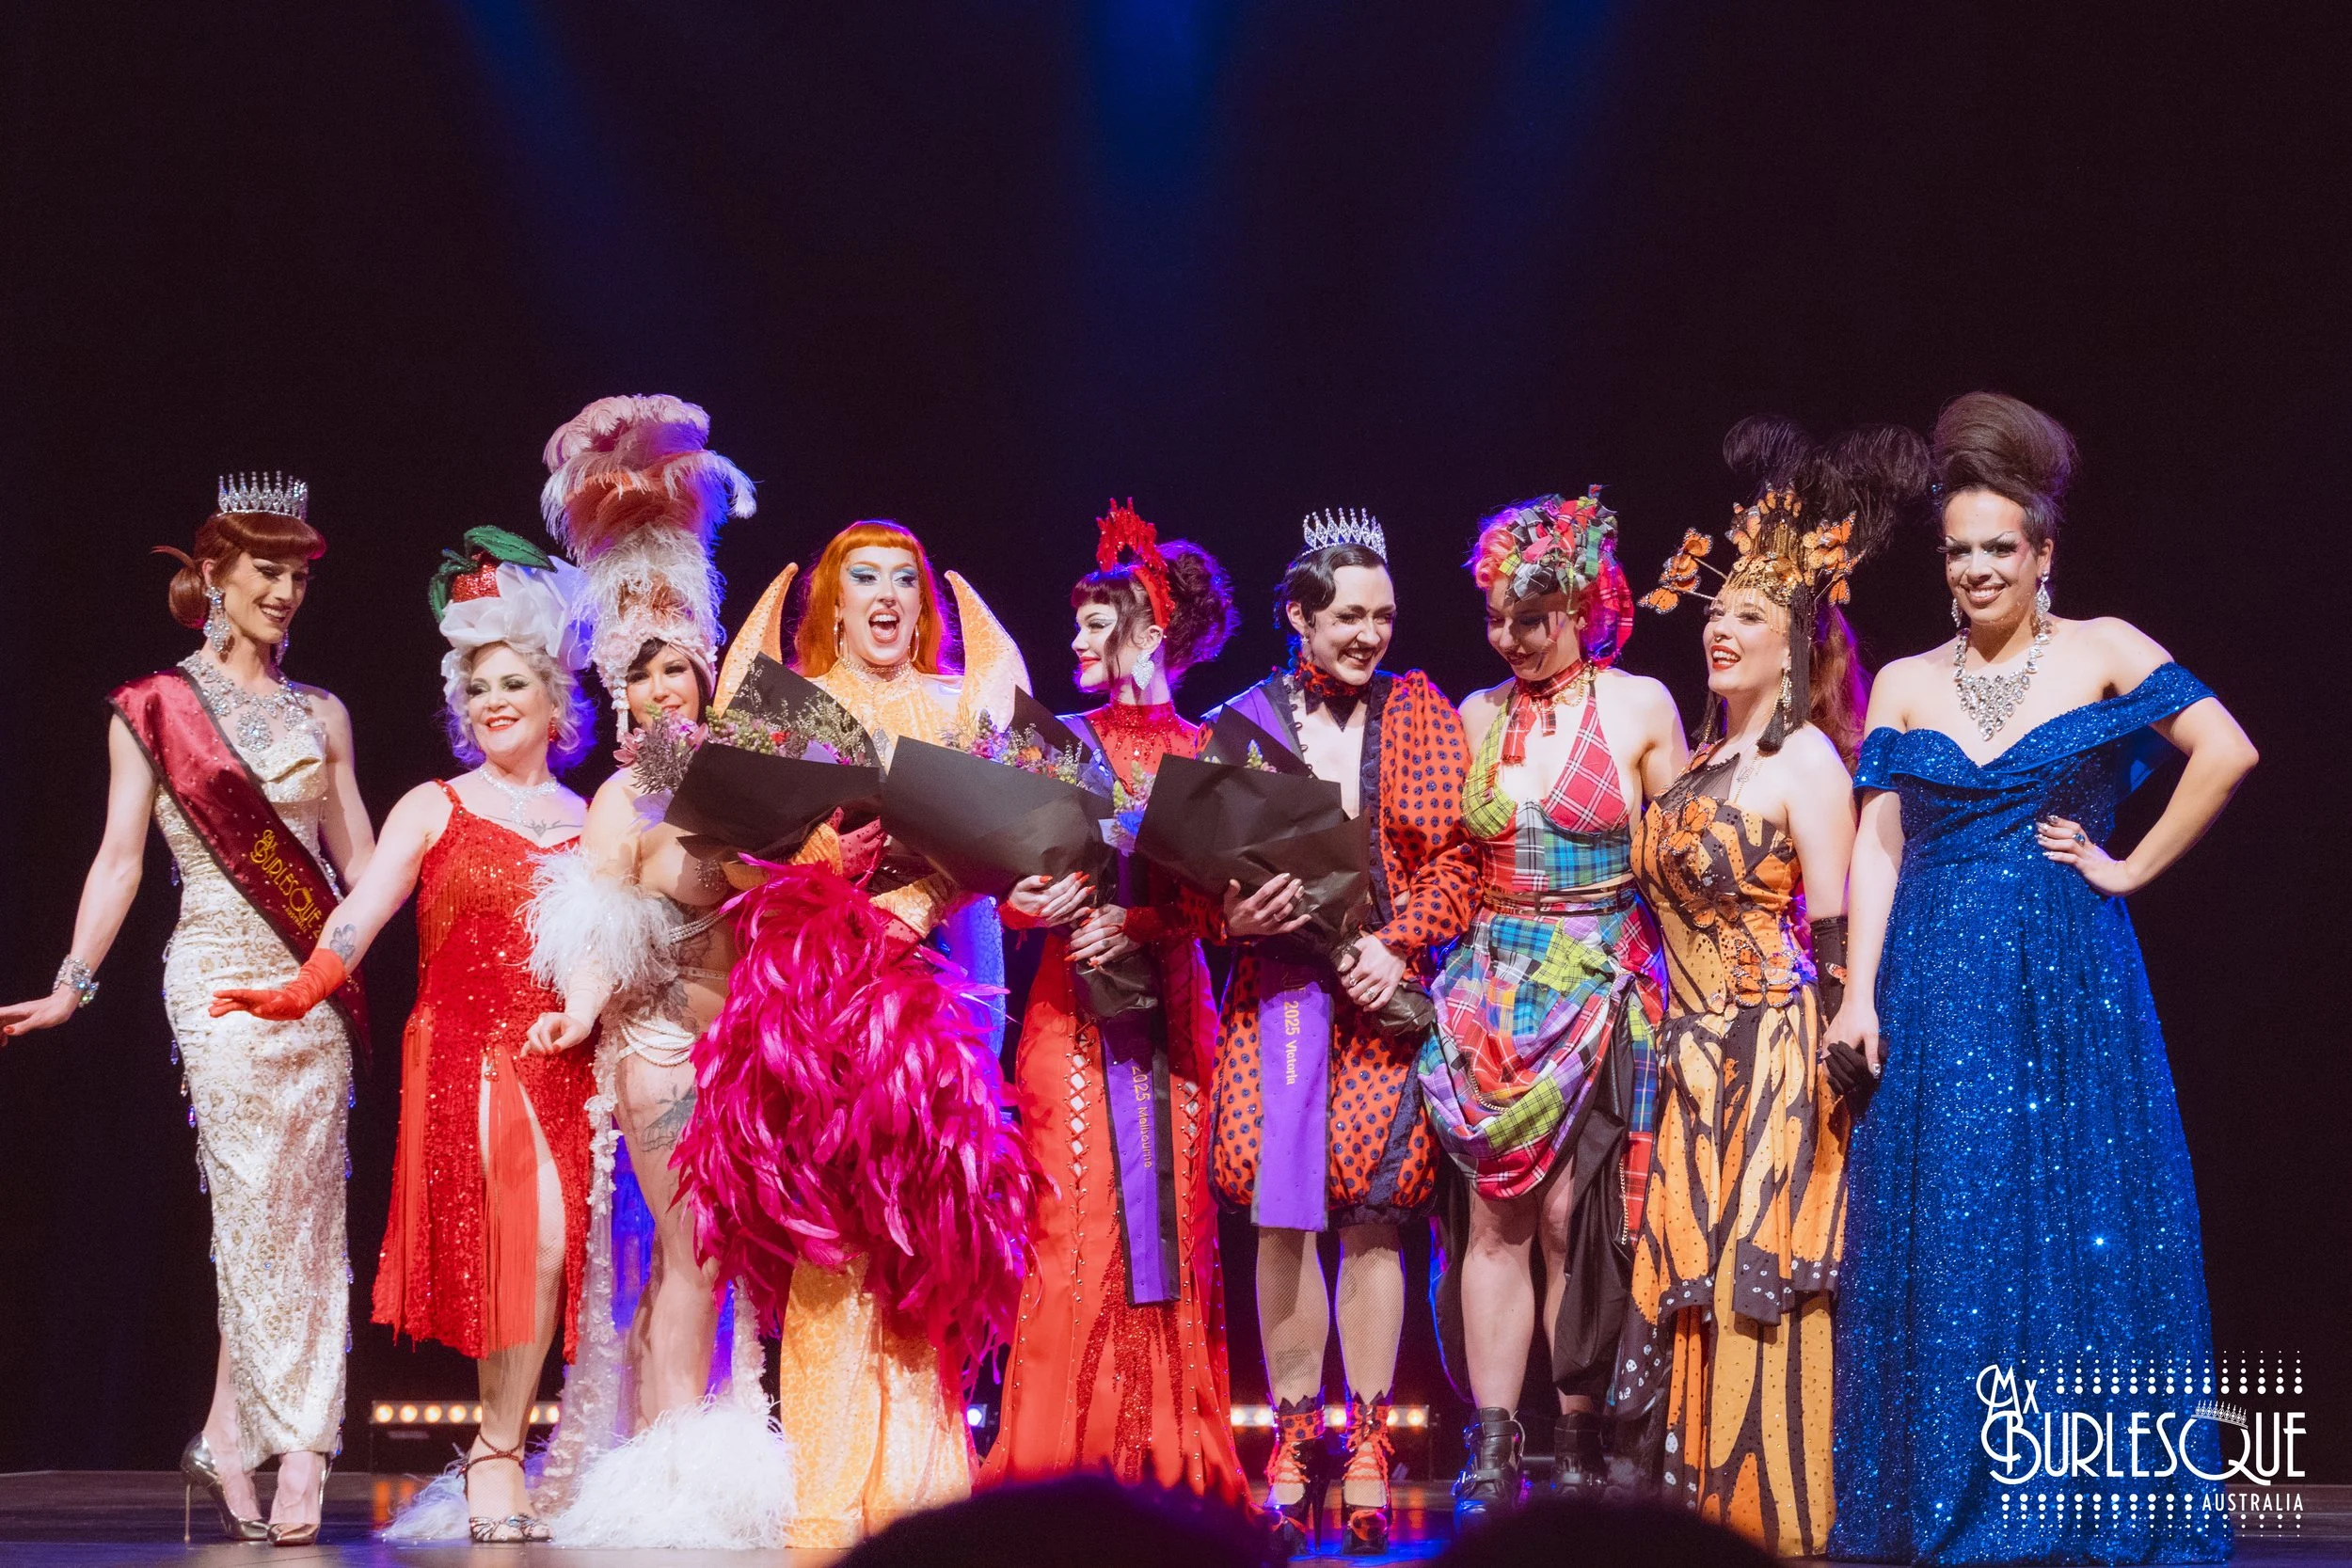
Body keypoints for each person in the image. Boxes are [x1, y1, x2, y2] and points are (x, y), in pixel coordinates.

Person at [1825, 392, 2255, 1563]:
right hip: (1936, 978)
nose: (1973, 568)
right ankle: (1953, 1496)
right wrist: (1859, 991)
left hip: (2068, 981)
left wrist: (2127, 868)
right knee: (1954, 1241)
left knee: (2076, 1223)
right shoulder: (1908, 680)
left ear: (2042, 552)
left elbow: (2226, 750)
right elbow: (1877, 842)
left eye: (1997, 548)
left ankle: (2074, 1500)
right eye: (1958, 549)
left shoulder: (2107, 647)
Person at [0, 476, 369, 1544]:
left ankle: (224, 1431)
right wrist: (74, 981)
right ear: (212, 575)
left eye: (299, 576)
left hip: (312, 976)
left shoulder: (323, 712)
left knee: (302, 1214)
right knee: (254, 1201)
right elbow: (120, 857)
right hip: (212, 971)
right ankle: (305, 1447)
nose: (287, 593)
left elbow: (360, 860)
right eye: (267, 572)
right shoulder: (152, 707)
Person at [214, 533, 600, 1544]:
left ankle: (506, 1443)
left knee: (560, 1254)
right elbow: (362, 910)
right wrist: (304, 986)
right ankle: (498, 1453)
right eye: (477, 690)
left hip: (567, 1051)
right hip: (470, 1049)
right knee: (528, 1240)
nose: (491, 702)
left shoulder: (588, 817)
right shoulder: (436, 804)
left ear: (556, 698)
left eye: (512, 683)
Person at [673, 521, 1040, 1548]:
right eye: (864, 578)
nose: (886, 596)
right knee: (827, 1246)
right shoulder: (790, 708)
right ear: (830, 600)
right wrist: (817, 862)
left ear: (925, 606)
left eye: (905, 582)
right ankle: (829, 1503)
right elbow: (733, 857)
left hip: (928, 1004)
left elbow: (1000, 832)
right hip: (808, 1012)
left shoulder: (946, 705)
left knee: (922, 1236)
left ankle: (920, 1501)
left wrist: (918, 896)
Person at [1612, 419, 1917, 1555]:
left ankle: (1774, 1519)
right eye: (1715, 613)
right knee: (1688, 1279)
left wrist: (1851, 1014)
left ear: (1797, 643)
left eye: (1748, 616)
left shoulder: (1806, 761)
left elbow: (1836, 920)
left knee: (1756, 1282)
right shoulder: (1696, 763)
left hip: (1774, 1054)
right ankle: (1692, 1517)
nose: (1720, 631)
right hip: (1686, 1053)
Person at [514, 395, 790, 1545]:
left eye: (684, 668)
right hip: (665, 1050)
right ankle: (674, 1471)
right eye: (648, 675)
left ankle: (719, 1444)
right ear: (622, 689)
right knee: (689, 1251)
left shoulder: (747, 772)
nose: (668, 687)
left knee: (734, 1258)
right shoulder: (625, 797)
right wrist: (578, 1014)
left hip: (747, 1047)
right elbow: (595, 927)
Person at [1206, 510, 1475, 1556]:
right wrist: (1227, 916)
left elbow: (1457, 858)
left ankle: (1366, 1442)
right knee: (1282, 1218)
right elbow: (1195, 864)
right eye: (1349, 616)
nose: (1369, 634)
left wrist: (1401, 944)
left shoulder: (1421, 712)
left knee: (1373, 1216)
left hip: (1378, 1001)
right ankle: (1290, 1440)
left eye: (1384, 616)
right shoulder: (1237, 721)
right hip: (1276, 995)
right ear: (1298, 616)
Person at [1418, 489, 1679, 1528]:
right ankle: (1492, 1435)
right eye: (1495, 615)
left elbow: (1679, 854)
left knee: (1575, 1213)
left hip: (1596, 967)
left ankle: (1577, 1426)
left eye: (1530, 614)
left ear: (1580, 601)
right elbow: (1442, 855)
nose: (1510, 635)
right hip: (1491, 981)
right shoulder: (1475, 717)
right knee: (1495, 1212)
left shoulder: (1638, 704)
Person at [980, 502, 1247, 1500]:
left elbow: (1226, 912)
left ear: (1153, 623)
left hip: (1173, 1017)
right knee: (1068, 1224)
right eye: (1080, 619)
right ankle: (1058, 1466)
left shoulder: (1211, 743)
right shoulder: (1051, 741)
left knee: (1171, 1229)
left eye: (1099, 620)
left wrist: (1138, 924)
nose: (1079, 638)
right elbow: (992, 887)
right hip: (1065, 1017)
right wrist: (1029, 903)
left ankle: (1166, 1459)